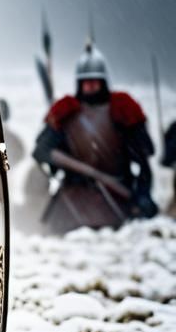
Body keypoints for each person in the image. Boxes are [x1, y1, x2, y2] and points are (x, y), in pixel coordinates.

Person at [33, 46, 156, 233]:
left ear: (103, 82)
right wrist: (65, 164)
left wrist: (142, 194)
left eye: (94, 82)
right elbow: (42, 150)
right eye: (86, 83)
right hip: (72, 199)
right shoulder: (66, 111)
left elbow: (143, 161)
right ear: (79, 84)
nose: (90, 87)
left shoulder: (122, 109)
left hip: (116, 197)